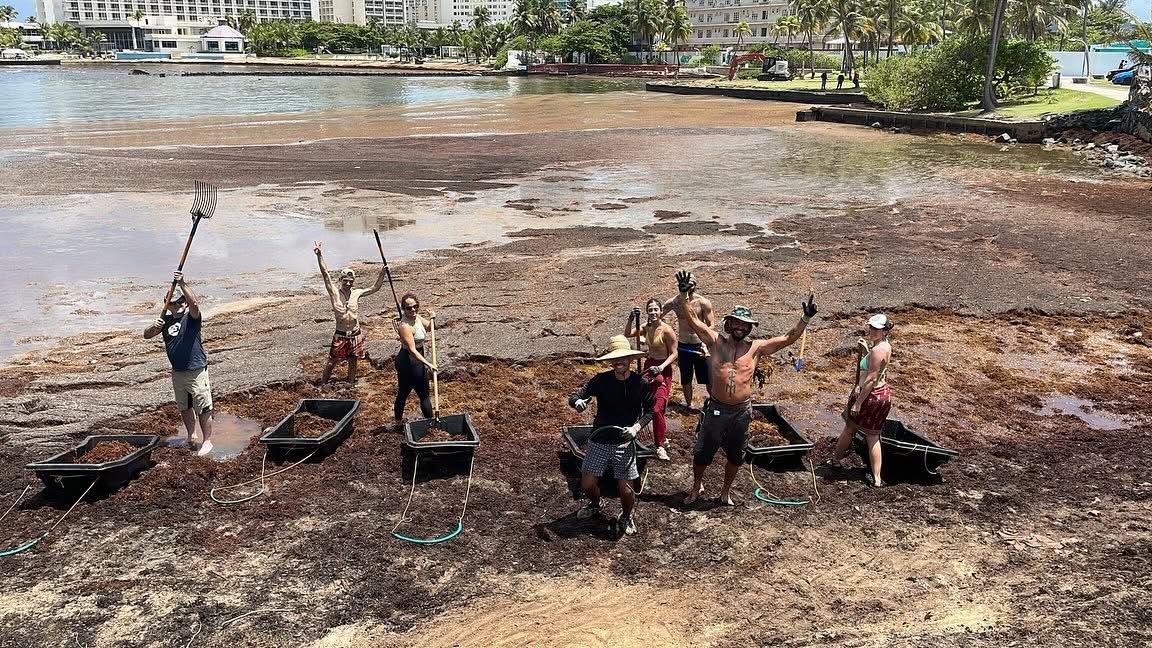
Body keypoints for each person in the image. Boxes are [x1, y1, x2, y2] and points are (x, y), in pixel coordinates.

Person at [671, 270, 817, 505]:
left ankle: (725, 492)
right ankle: (696, 486)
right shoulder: (715, 341)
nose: (740, 327)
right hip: (717, 408)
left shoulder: (757, 347)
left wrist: (805, 319)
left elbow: (788, 338)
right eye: (736, 323)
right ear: (729, 324)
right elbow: (693, 320)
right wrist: (683, 295)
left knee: (736, 456)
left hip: (741, 412)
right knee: (702, 453)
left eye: (745, 324)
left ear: (750, 328)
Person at [568, 335, 655, 536]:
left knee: (625, 489)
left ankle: (626, 515)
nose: (619, 362)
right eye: (615, 359)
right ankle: (595, 503)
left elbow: (651, 411)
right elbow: (576, 396)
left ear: (630, 360)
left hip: (624, 441)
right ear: (610, 361)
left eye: (622, 358)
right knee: (587, 484)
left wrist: (636, 428)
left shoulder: (640, 384)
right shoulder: (600, 380)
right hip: (600, 438)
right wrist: (578, 403)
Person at [144, 272, 214, 456]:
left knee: (203, 405)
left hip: (196, 369)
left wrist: (182, 283)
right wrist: (154, 327)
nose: (179, 304)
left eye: (181, 301)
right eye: (174, 303)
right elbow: (146, 334)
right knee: (184, 406)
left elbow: (195, 304)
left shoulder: (191, 318)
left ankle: (207, 441)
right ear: (168, 305)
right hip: (178, 372)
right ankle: (191, 435)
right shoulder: (165, 321)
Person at [826, 314, 895, 487]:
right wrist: (866, 350)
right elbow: (876, 367)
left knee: (850, 428)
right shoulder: (884, 346)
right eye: (871, 327)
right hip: (883, 394)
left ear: (885, 331)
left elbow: (871, 378)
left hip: (870, 395)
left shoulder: (877, 350)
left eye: (876, 329)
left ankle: (835, 460)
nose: (872, 331)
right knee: (873, 435)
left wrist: (858, 402)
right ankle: (877, 479)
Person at [313, 241, 387, 384]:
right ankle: (323, 384)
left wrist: (383, 272)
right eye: (345, 280)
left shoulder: (357, 293)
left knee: (353, 361)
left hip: (355, 333)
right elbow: (325, 274)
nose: (348, 283)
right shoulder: (334, 292)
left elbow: (374, 288)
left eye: (350, 281)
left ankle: (351, 383)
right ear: (341, 280)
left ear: (353, 281)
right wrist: (319, 255)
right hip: (340, 334)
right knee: (332, 361)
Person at [625, 299, 678, 461]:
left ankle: (660, 446)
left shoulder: (667, 330)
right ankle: (659, 435)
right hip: (649, 367)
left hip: (663, 369)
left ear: (661, 311)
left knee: (657, 408)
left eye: (656, 310)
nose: (653, 313)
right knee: (643, 402)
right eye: (650, 310)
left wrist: (661, 367)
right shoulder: (647, 327)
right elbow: (628, 334)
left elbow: (675, 354)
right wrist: (630, 319)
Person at [662, 274, 714, 411]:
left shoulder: (703, 302)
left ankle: (715, 401)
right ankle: (689, 404)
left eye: (691, 284)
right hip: (684, 345)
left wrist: (706, 343)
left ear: (695, 285)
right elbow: (657, 317)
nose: (688, 287)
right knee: (686, 379)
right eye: (685, 284)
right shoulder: (675, 302)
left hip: (700, 345)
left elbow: (711, 324)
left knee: (707, 377)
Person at [393, 292, 437, 427]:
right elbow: (412, 349)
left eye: (415, 306)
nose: (412, 310)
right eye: (408, 308)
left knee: (424, 394)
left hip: (418, 359)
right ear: (403, 309)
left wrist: (433, 318)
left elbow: (429, 327)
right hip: (407, 361)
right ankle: (398, 422)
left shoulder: (417, 318)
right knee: (404, 392)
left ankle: (431, 424)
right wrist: (428, 363)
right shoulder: (404, 326)